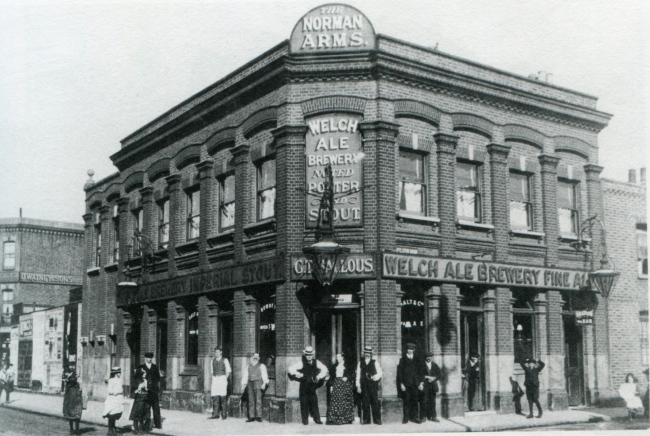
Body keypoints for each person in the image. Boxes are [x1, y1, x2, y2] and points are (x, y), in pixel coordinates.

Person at [288, 346, 328, 425]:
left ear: (312, 355)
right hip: (304, 385)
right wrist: (299, 374)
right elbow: (290, 369)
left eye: (310, 355)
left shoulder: (316, 362)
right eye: (307, 355)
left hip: (312, 386)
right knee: (304, 402)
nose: (309, 356)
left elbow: (325, 369)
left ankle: (317, 419)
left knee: (314, 402)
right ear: (305, 355)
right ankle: (305, 421)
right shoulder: (301, 362)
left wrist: (318, 376)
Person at [397, 342, 424, 424]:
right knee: (406, 401)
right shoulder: (402, 360)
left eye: (412, 349)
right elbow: (399, 373)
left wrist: (421, 383)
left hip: (415, 384)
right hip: (406, 384)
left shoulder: (417, 359)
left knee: (415, 400)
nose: (410, 351)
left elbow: (421, 372)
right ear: (406, 350)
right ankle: (406, 418)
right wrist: (401, 384)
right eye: (409, 349)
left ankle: (414, 417)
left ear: (414, 350)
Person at [136, 351, 164, 430]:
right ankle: (146, 425)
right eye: (148, 358)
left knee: (156, 407)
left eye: (151, 358)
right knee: (146, 408)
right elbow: (137, 378)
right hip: (145, 391)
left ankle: (158, 424)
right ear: (145, 358)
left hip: (154, 390)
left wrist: (154, 384)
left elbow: (158, 378)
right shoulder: (141, 367)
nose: (149, 359)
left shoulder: (155, 367)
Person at [356, 345, 382, 425]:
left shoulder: (375, 362)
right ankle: (366, 420)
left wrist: (375, 377)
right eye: (366, 353)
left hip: (373, 385)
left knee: (375, 402)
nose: (367, 354)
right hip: (364, 385)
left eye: (369, 353)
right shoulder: (361, 362)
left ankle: (377, 420)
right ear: (364, 353)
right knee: (365, 402)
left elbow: (380, 373)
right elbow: (358, 375)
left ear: (371, 354)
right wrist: (358, 386)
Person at [326, 352, 355, 425]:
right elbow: (332, 377)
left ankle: (346, 419)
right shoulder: (334, 366)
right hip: (337, 384)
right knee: (336, 401)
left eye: (339, 357)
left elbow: (353, 374)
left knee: (345, 401)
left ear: (342, 357)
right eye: (337, 357)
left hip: (345, 385)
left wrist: (347, 377)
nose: (337, 358)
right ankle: (335, 419)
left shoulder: (348, 365)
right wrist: (331, 386)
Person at [241, 352, 269, 422]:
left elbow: (264, 375)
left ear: (259, 359)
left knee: (258, 399)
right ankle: (251, 416)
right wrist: (243, 385)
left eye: (257, 357)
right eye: (254, 357)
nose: (255, 358)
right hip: (250, 383)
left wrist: (264, 383)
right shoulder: (248, 366)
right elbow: (245, 376)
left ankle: (258, 416)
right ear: (252, 358)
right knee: (251, 400)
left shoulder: (261, 366)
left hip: (258, 382)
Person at [208, 346, 231, 420]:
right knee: (215, 397)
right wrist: (213, 379)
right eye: (215, 352)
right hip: (215, 379)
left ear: (221, 352)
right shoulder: (212, 361)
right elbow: (212, 372)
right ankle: (215, 414)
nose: (216, 353)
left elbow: (228, 371)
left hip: (222, 378)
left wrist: (224, 379)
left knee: (223, 397)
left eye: (218, 352)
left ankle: (224, 414)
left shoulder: (225, 360)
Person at [103, 367, 124, 436]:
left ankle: (113, 428)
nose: (120, 374)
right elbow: (110, 390)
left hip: (118, 399)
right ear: (115, 373)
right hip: (112, 398)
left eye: (120, 372)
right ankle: (110, 429)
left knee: (116, 414)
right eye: (118, 372)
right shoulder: (111, 380)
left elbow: (121, 389)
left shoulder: (120, 380)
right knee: (111, 414)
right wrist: (114, 392)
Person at [421, 351, 441, 422]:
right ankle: (423, 417)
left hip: (433, 386)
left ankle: (434, 416)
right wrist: (426, 377)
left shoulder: (435, 365)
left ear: (432, 358)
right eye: (427, 357)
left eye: (430, 357)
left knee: (433, 401)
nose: (428, 358)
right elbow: (418, 375)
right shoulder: (421, 365)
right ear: (425, 358)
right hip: (425, 385)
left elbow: (440, 375)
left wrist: (434, 378)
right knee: (424, 401)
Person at [130, 368, 151, 435]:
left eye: (145, 373)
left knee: (143, 414)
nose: (145, 374)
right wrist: (138, 389)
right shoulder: (136, 381)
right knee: (137, 415)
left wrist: (147, 389)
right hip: (138, 399)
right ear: (140, 374)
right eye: (144, 373)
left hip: (144, 398)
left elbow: (147, 389)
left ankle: (142, 429)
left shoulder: (145, 380)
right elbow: (133, 392)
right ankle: (136, 429)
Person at [62, 371, 83, 435]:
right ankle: (76, 430)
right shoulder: (74, 383)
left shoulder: (68, 384)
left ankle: (73, 430)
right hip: (74, 401)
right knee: (76, 415)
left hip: (72, 401)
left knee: (72, 415)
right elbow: (80, 390)